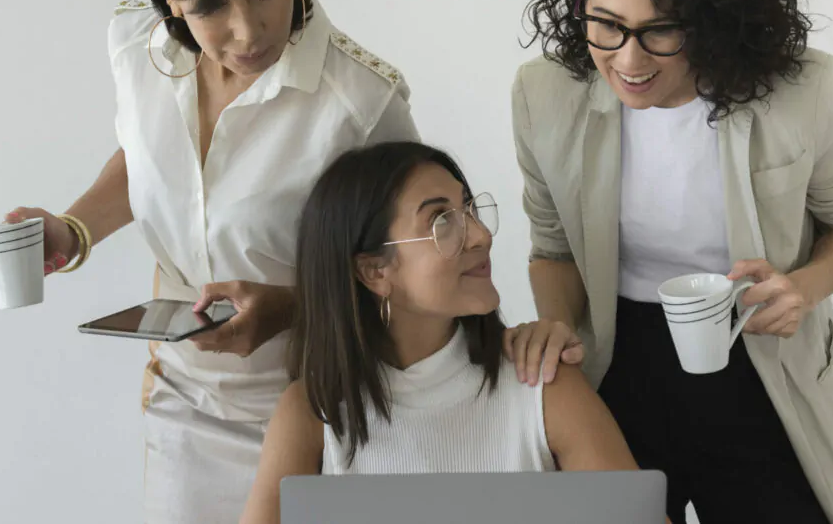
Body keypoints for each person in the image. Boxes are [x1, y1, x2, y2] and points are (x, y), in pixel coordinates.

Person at [2, 0, 419, 522]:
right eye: (209, 5)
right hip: (185, 404)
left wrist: (286, 307)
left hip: (323, 408)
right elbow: (147, 155)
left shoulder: (362, 101)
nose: (247, 30)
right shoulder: (136, 49)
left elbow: (415, 264)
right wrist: (71, 228)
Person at [507, 0, 833, 524]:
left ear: (716, 17)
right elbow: (554, 246)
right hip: (618, 359)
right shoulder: (545, 94)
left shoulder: (802, 92)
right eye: (606, 25)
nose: (628, 59)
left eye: (660, 30)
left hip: (758, 355)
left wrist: (804, 287)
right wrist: (561, 322)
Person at [239, 141, 644, 524]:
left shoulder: (543, 384)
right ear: (374, 271)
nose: (482, 236)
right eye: (442, 221)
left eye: (469, 210)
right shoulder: (314, 410)